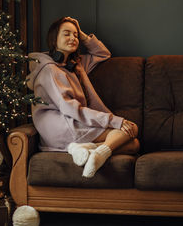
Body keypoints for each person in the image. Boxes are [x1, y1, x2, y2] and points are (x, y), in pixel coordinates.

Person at [26, 17, 139, 178]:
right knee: (132, 129)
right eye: (67, 34)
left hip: (73, 122)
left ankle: (90, 150)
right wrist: (112, 120)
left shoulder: (74, 65)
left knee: (134, 144)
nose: (73, 38)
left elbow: (103, 53)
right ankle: (94, 150)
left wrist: (83, 34)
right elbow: (69, 108)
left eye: (75, 35)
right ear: (54, 39)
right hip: (61, 126)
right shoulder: (50, 69)